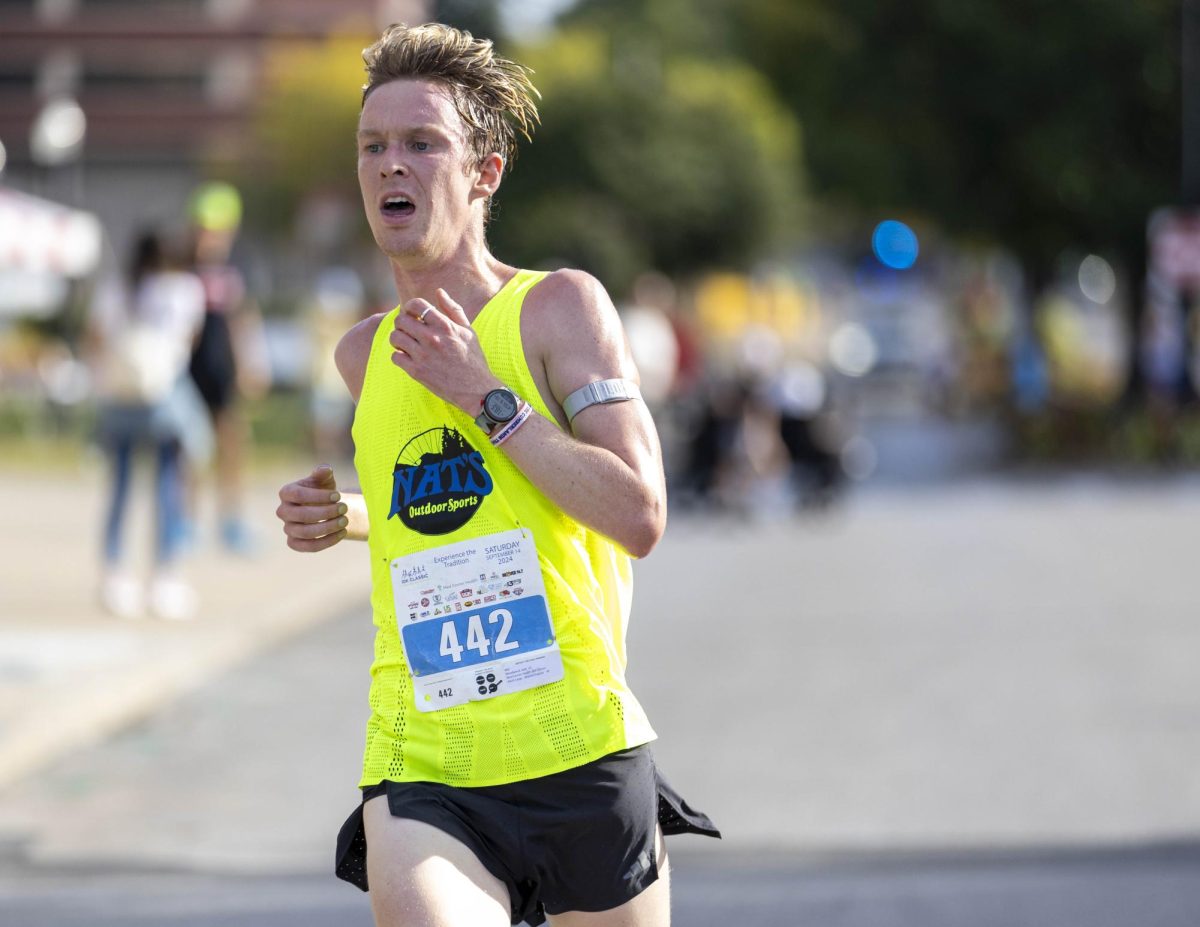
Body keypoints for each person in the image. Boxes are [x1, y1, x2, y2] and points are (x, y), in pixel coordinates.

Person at [274, 22, 717, 927]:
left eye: (421, 143)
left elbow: (638, 511)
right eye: (373, 146)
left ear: (485, 173)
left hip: (576, 745)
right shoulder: (363, 355)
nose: (391, 166)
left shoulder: (557, 309)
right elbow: (454, 499)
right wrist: (349, 515)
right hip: (425, 753)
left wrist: (486, 393)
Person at [90, 229, 209, 620]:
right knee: (167, 486)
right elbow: (189, 339)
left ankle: (114, 574)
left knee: (120, 486)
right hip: (163, 397)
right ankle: (166, 577)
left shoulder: (116, 288)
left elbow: (96, 336)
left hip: (119, 396)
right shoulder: (183, 289)